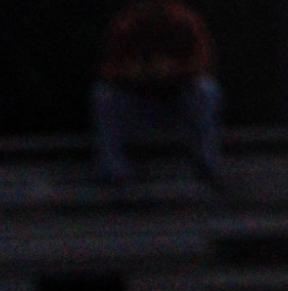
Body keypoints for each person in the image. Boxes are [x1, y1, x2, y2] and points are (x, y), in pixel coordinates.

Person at [92, 1, 222, 188]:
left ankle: (207, 164)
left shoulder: (184, 21)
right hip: (138, 104)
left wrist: (174, 69)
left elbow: (204, 62)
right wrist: (130, 71)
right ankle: (114, 169)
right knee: (103, 95)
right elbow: (107, 68)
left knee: (206, 90)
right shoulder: (127, 24)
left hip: (177, 104)